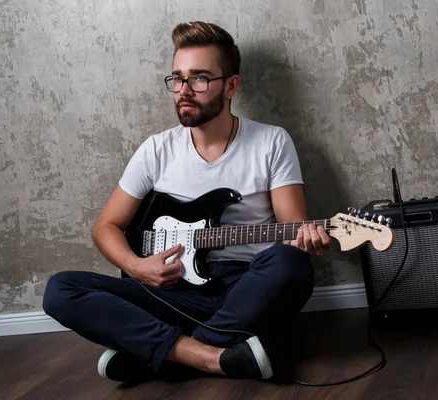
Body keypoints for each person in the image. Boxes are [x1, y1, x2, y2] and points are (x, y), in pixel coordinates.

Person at [43, 21, 332, 383]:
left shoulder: (271, 142)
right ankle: (215, 357)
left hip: (246, 290)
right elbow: (106, 227)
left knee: (290, 263)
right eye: (177, 79)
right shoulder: (156, 150)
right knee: (60, 289)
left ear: (231, 85)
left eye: (199, 79)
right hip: (175, 293)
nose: (183, 90)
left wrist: (306, 240)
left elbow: (293, 227)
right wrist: (136, 267)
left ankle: (159, 353)